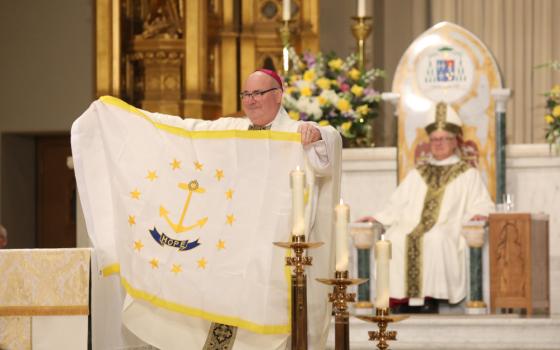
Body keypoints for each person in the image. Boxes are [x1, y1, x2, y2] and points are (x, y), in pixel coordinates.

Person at [81, 69, 341, 350]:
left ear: (278, 96)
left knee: (265, 320)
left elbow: (327, 152)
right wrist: (129, 119)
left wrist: (318, 135)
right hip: (228, 248)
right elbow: (185, 131)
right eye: (246, 94)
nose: (251, 101)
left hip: (272, 251)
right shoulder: (231, 131)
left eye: (258, 93)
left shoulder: (296, 133)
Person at [359, 102, 494, 313]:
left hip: (447, 228)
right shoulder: (417, 173)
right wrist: (377, 219)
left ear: (454, 141)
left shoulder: (468, 174)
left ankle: (430, 298)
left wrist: (478, 215)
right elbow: (395, 205)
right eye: (434, 140)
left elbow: (483, 204)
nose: (438, 144)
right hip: (412, 225)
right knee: (395, 238)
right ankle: (400, 300)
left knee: (436, 238)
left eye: (443, 139)